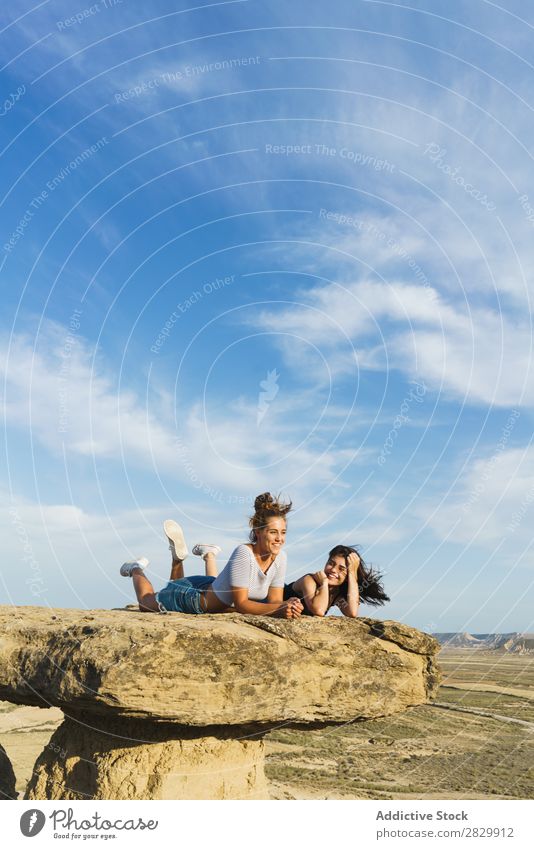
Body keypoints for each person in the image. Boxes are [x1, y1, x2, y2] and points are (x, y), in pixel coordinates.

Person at [120, 492, 304, 619]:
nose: (279, 538)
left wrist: (290, 606)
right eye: (273, 532)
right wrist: (280, 608)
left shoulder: (281, 558)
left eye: (283, 532)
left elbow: (275, 602)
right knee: (146, 603)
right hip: (195, 600)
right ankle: (136, 568)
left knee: (173, 585)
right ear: (258, 532)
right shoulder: (244, 554)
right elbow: (241, 605)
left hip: (210, 586)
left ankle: (181, 559)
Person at [283, 545, 389, 617]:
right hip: (268, 600)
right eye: (331, 563)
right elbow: (318, 610)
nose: (333, 570)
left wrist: (352, 574)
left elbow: (352, 612)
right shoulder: (309, 581)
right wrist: (324, 583)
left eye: (341, 569)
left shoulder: (336, 594)